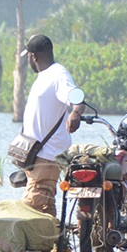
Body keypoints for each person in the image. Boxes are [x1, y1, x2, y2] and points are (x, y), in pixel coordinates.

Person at [18, 34, 83, 217]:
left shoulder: (58, 75)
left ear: (34, 57)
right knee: (45, 208)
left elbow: (77, 98)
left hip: (47, 155)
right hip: (36, 154)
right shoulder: (46, 75)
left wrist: (76, 113)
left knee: (31, 210)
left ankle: (42, 236)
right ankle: (54, 236)